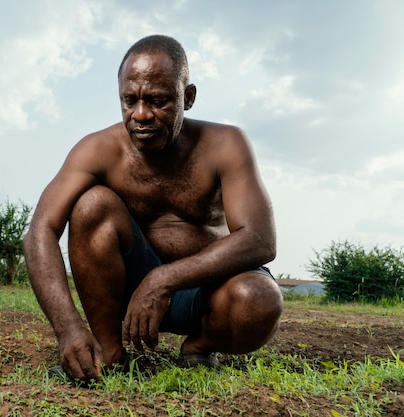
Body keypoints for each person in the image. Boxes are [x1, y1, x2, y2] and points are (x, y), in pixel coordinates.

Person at [23, 34, 283, 381]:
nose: (141, 114)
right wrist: (68, 329)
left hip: (209, 292)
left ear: (187, 97)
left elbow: (260, 240)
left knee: (260, 298)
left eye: (158, 101)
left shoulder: (225, 144)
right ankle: (109, 352)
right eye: (129, 100)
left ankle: (199, 346)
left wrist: (164, 279)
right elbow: (40, 231)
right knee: (91, 205)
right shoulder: (97, 150)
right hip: (130, 290)